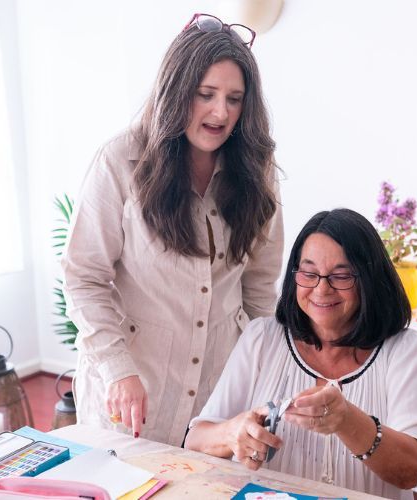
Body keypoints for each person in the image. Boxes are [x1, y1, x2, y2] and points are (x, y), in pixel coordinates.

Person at [62, 13, 284, 447]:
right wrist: (117, 369)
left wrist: (267, 378)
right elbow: (83, 277)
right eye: (206, 94)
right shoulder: (120, 162)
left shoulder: (257, 172)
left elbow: (259, 289)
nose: (221, 112)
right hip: (131, 396)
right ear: (177, 89)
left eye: (235, 99)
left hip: (217, 397)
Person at [185, 209, 417, 500]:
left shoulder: (406, 351)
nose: (321, 288)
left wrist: (347, 420)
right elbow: (195, 440)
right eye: (309, 273)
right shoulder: (262, 338)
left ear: (369, 280)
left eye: (340, 276)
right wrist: (233, 433)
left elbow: (410, 472)